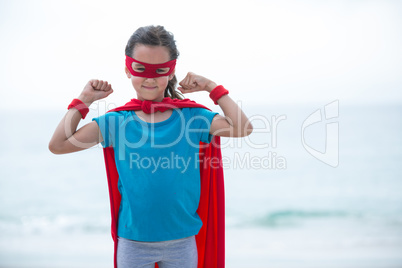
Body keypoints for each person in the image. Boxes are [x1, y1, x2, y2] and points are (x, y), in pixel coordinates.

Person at [49, 25, 253, 268]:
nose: (150, 78)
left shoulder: (192, 117)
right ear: (127, 69)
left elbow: (243, 128)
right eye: (140, 68)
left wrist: (211, 87)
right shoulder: (116, 122)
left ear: (170, 72)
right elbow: (58, 145)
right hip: (133, 242)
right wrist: (83, 101)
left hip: (182, 241)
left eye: (159, 71)